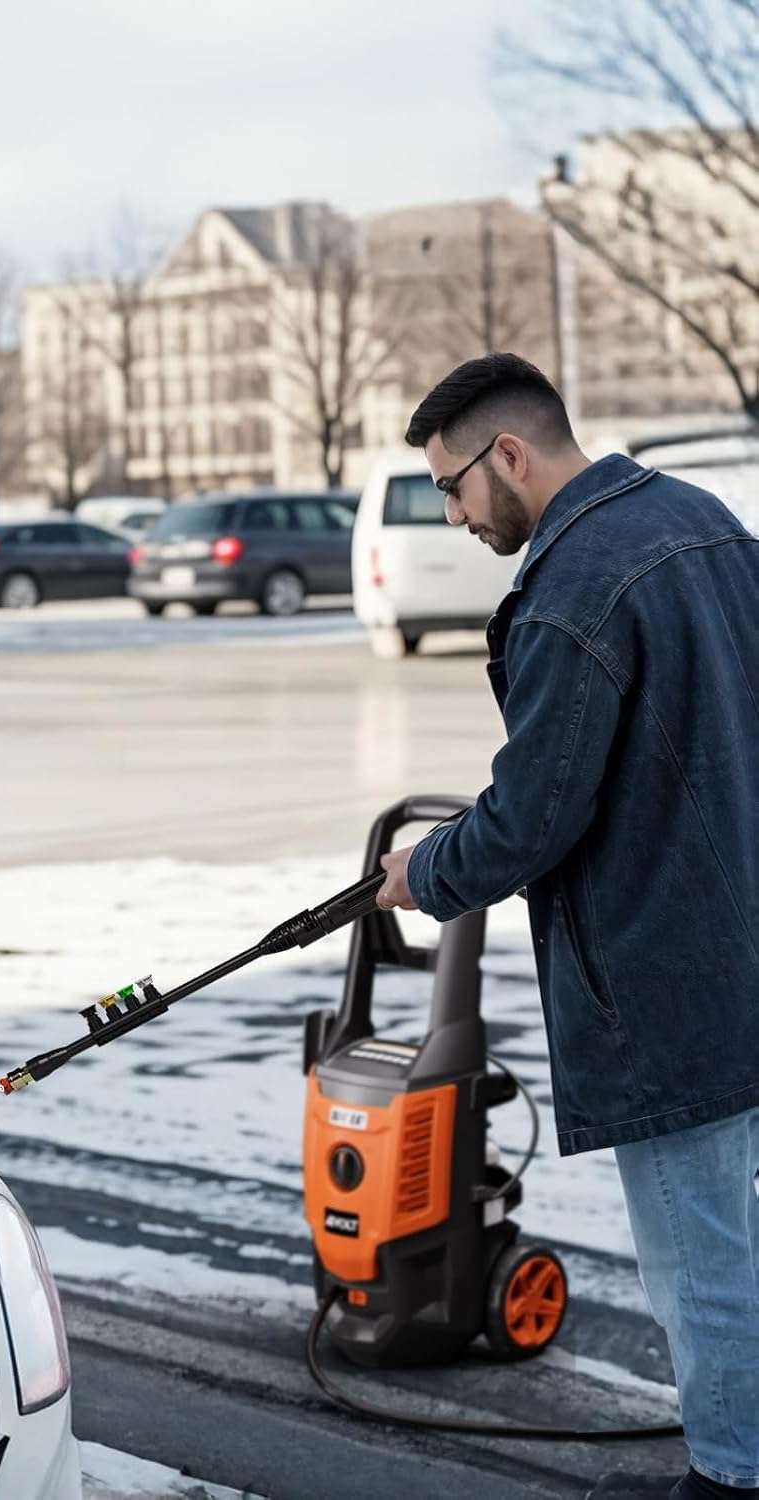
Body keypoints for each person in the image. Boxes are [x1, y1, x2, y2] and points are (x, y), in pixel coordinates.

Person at [374, 353, 759, 1500]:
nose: (450, 514)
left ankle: (736, 1477)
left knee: (704, 1258)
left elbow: (531, 816)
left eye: (451, 487)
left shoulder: (569, 589)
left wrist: (419, 873)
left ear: (510, 456)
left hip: (670, 971)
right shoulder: (709, 522)